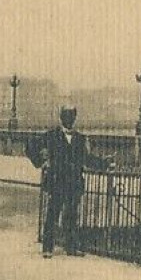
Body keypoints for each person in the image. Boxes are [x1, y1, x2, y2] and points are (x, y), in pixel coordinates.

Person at [28, 106, 109, 257]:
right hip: (57, 181)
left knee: (71, 215)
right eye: (66, 116)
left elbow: (87, 158)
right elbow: (30, 146)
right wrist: (41, 161)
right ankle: (47, 248)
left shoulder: (80, 138)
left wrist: (104, 164)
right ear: (61, 117)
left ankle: (71, 247)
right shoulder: (51, 136)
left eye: (72, 116)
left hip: (74, 182)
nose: (69, 119)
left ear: (75, 117)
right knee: (53, 214)